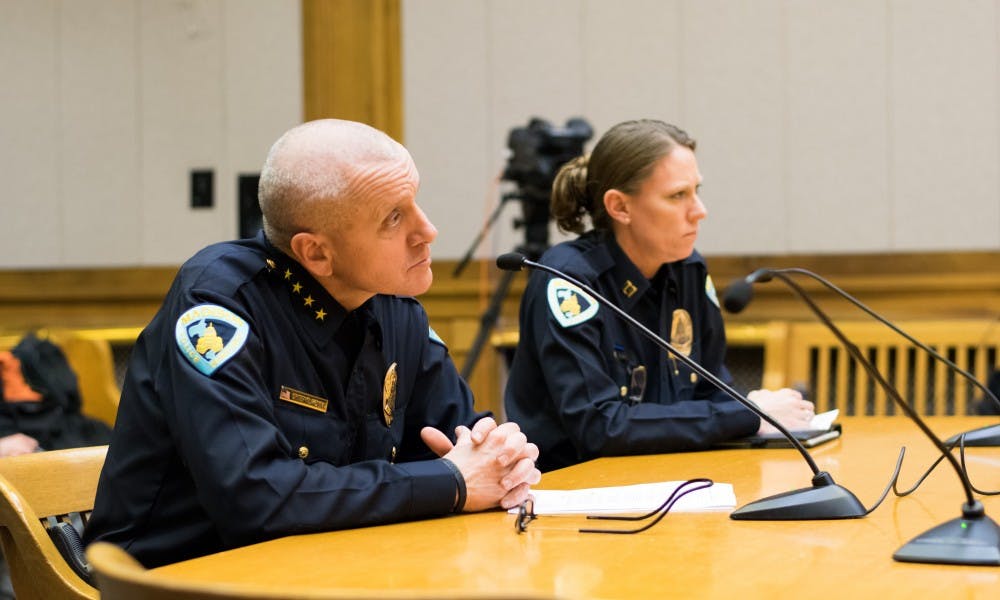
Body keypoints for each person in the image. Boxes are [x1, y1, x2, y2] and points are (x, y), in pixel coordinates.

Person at [84, 119, 540, 568]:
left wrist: (502, 457)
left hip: (330, 566)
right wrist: (452, 483)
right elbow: (256, 498)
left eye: (415, 201)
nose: (428, 231)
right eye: (394, 218)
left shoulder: (394, 306)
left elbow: (464, 444)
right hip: (175, 577)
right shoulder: (218, 305)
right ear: (316, 252)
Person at [504, 119, 814, 472]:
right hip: (577, 493)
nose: (699, 210)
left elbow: (712, 390)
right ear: (620, 207)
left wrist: (756, 414)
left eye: (696, 190)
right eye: (677, 195)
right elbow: (599, 428)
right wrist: (747, 414)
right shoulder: (570, 281)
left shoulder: (687, 270)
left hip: (672, 480)